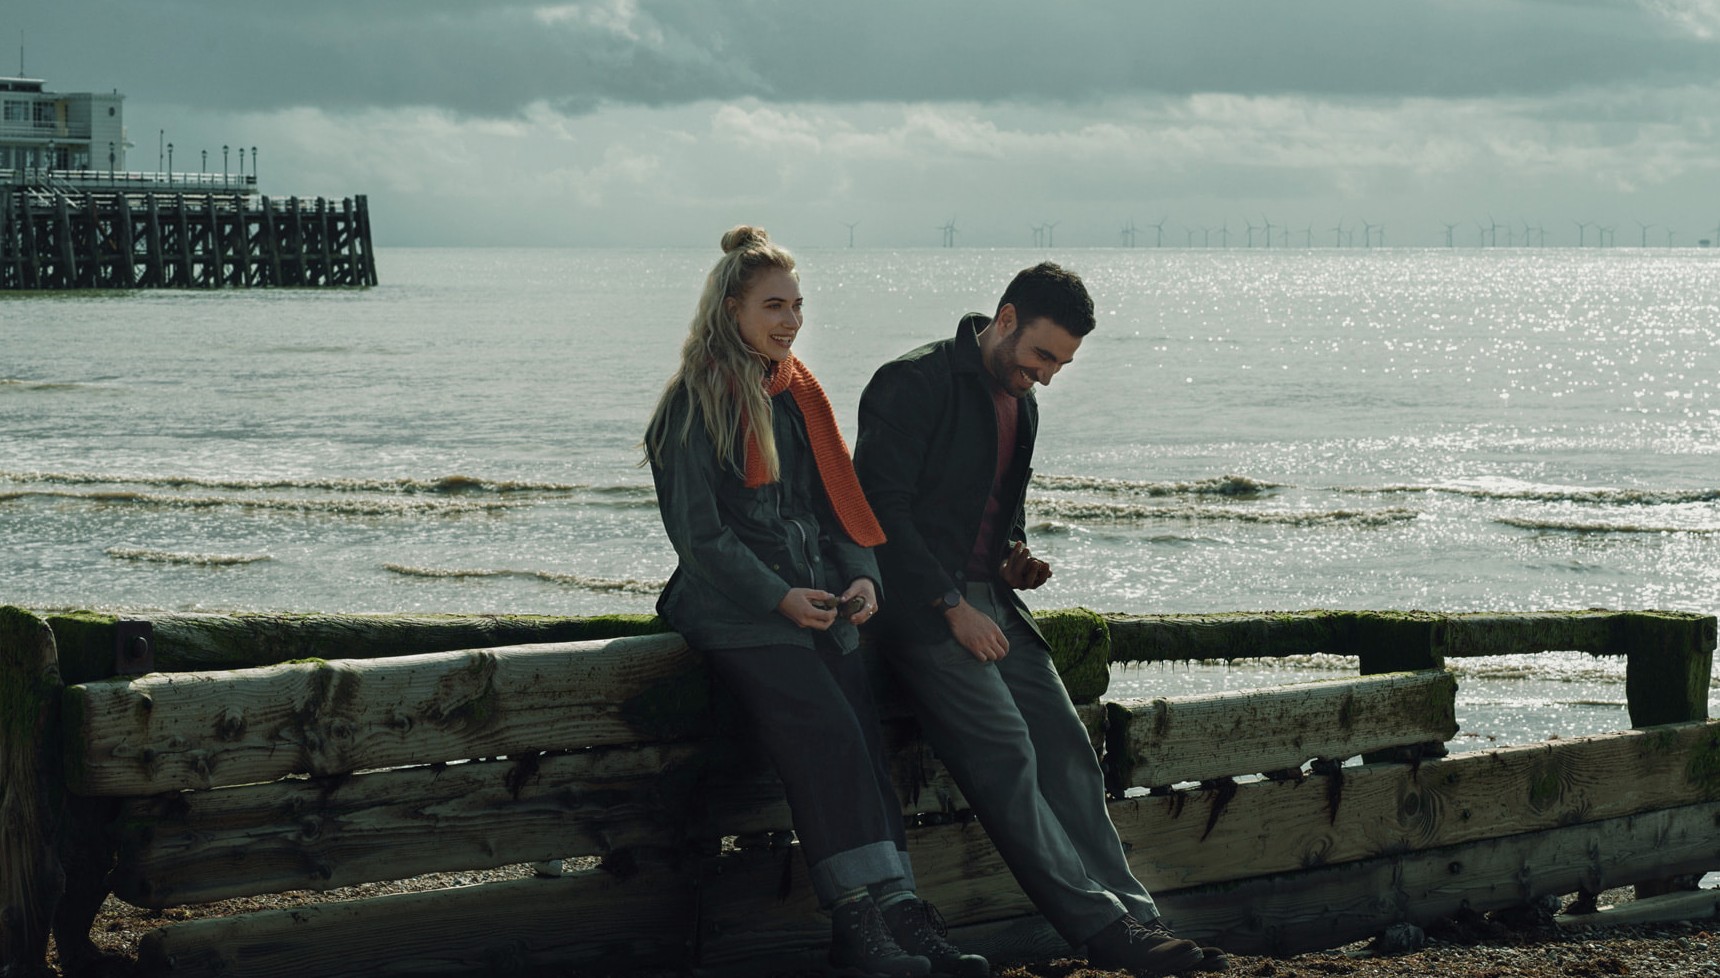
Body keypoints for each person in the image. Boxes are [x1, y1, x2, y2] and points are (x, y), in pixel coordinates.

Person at [854, 261, 1229, 977]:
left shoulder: (1022, 403)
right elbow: (880, 512)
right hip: (923, 610)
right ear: (1005, 320)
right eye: (1042, 355)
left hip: (994, 605)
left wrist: (1011, 561)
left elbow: (988, 510)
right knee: (1006, 755)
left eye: (1062, 362)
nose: (1050, 374)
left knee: (1067, 751)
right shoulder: (912, 381)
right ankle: (1104, 933)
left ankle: (1138, 917)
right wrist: (951, 605)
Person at [645, 226, 988, 978]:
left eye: (798, 306)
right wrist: (777, 598)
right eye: (774, 306)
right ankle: (857, 919)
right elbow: (699, 539)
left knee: (864, 742)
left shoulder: (798, 397)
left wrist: (863, 575)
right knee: (828, 734)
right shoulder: (692, 404)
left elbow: (840, 508)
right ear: (730, 307)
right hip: (734, 611)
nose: (791, 321)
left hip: (818, 604)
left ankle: (900, 913)